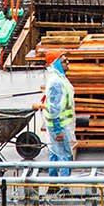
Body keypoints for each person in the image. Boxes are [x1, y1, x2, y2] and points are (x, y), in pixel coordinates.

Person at [43, 50, 76, 178]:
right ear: (56, 64)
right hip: (60, 125)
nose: (67, 63)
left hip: (60, 124)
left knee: (55, 153)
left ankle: (53, 184)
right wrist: (58, 130)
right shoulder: (56, 82)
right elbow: (54, 108)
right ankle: (64, 187)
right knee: (64, 155)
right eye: (64, 61)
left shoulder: (59, 79)